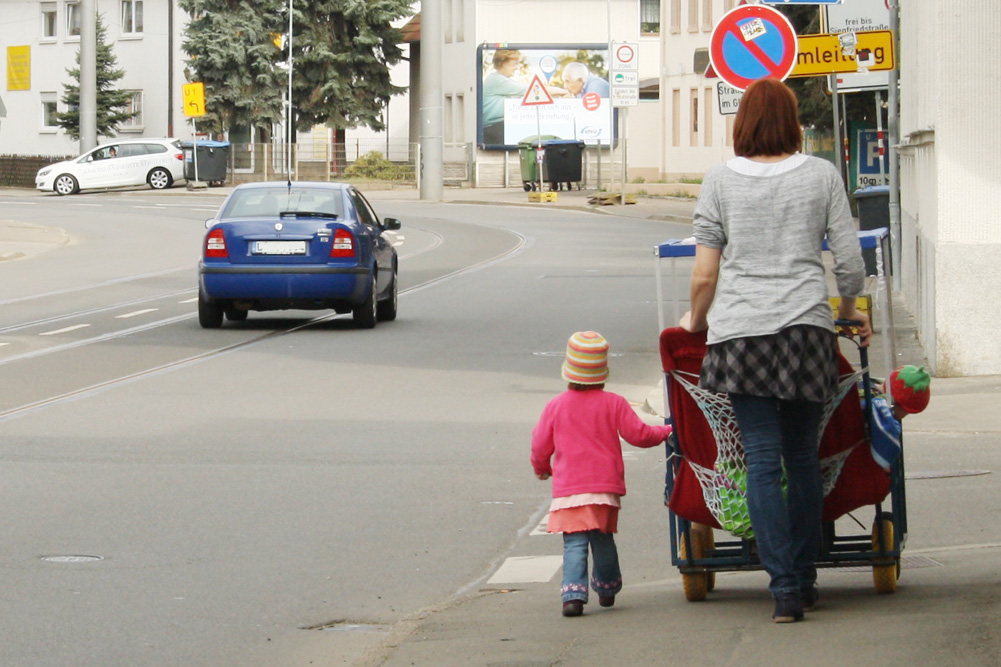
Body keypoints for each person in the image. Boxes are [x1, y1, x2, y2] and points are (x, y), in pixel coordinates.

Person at [679, 77, 871, 623]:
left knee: (760, 459)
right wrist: (849, 309)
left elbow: (704, 273)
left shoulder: (718, 181)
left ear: (742, 123)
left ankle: (784, 587)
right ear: (792, 123)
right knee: (802, 455)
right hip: (806, 327)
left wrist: (696, 321)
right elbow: (850, 262)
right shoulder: (821, 175)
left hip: (740, 333)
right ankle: (805, 575)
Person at [531, 331, 673, 617]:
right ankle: (607, 589)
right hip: (604, 488)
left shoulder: (555, 406)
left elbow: (540, 445)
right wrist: (666, 431)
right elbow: (639, 435)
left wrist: (542, 469)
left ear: (569, 370)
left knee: (574, 540)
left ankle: (573, 596)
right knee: (602, 537)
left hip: (569, 489)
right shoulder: (615, 403)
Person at [869, 365, 931, 469]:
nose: (904, 416)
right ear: (896, 403)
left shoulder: (869, 384)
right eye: (907, 412)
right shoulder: (877, 409)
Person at [481, 50, 529, 145]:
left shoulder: (500, 80)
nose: (516, 68)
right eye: (514, 64)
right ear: (503, 63)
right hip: (493, 129)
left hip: (499, 127)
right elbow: (531, 90)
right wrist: (562, 92)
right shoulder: (496, 80)